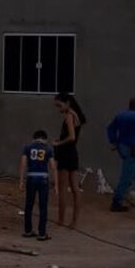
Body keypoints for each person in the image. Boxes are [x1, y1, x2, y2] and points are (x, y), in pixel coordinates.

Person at [53, 92, 86, 228]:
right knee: (75, 188)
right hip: (72, 153)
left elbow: (71, 137)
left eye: (59, 105)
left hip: (66, 153)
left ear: (67, 103)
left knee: (62, 188)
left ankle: (61, 220)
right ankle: (74, 221)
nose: (59, 109)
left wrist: (58, 143)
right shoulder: (76, 116)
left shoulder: (69, 116)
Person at [19, 130, 58, 241]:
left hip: (31, 177)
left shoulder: (27, 148)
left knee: (29, 205)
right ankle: (42, 233)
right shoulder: (48, 149)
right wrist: (56, 185)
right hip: (43, 178)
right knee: (43, 206)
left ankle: (27, 230)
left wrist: (21, 180)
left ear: (34, 138)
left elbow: (23, 164)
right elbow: (53, 167)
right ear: (44, 138)